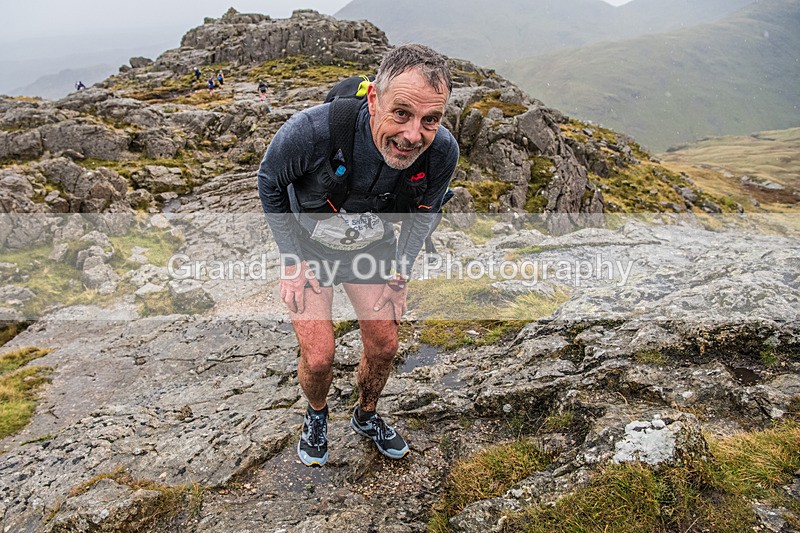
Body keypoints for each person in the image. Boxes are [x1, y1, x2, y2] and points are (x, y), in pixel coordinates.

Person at [257, 44, 458, 467]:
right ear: (373, 99)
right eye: (401, 113)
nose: (413, 135)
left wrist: (400, 275)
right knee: (318, 355)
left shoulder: (441, 152)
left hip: (372, 246)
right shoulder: (312, 131)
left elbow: (424, 214)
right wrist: (291, 262)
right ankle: (316, 414)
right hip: (310, 245)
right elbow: (270, 181)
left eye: (430, 120)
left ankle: (365, 415)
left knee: (384, 345)